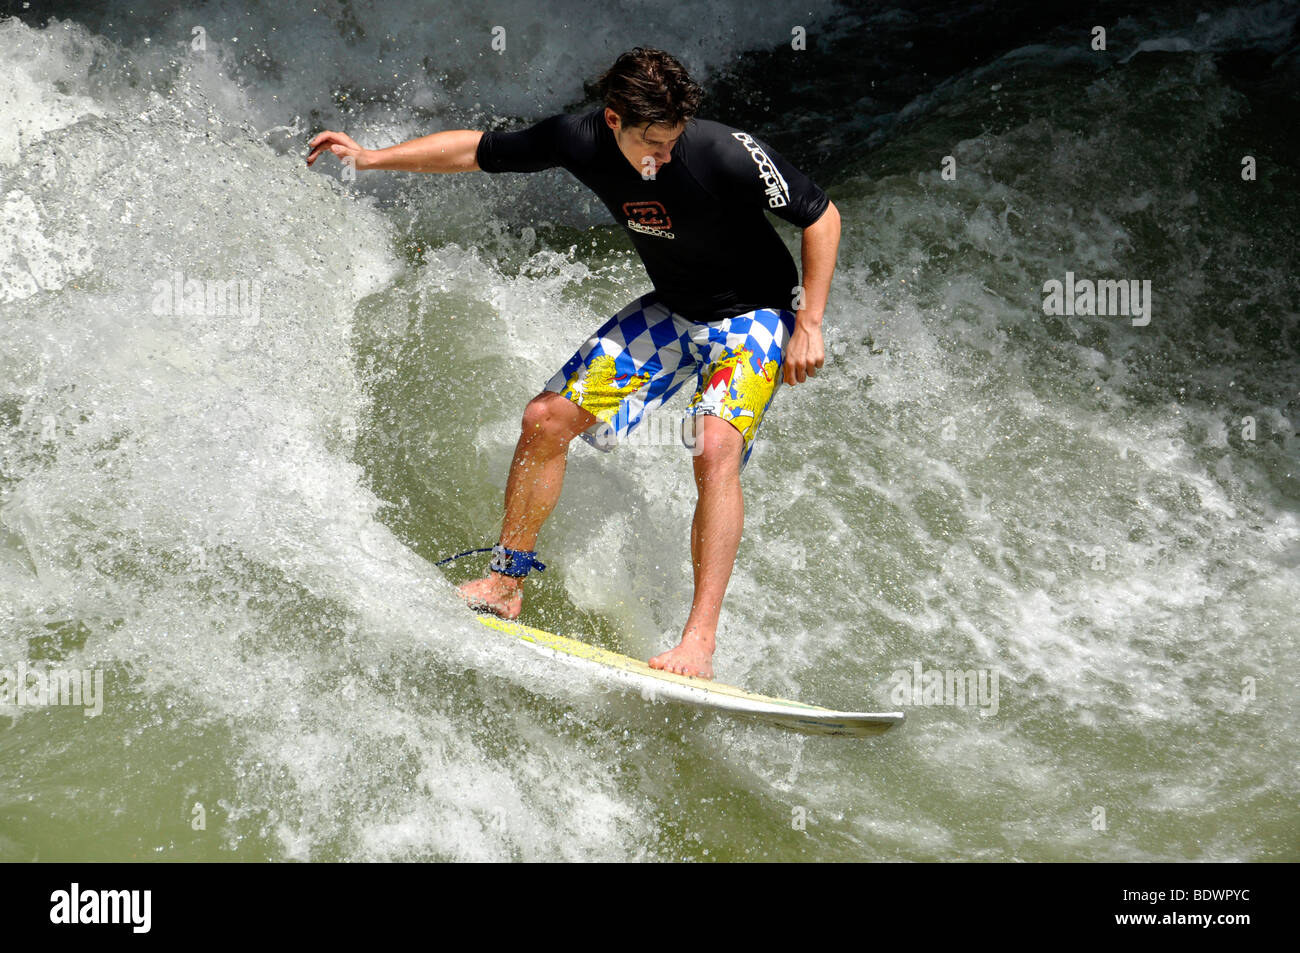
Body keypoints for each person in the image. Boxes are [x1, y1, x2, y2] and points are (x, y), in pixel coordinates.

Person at [307, 47, 840, 679]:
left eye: (672, 142)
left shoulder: (724, 152)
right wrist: (371, 157)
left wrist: (807, 324)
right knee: (544, 420)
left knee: (713, 447)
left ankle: (698, 642)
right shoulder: (577, 138)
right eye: (652, 143)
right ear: (613, 121)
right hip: (673, 310)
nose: (664, 155)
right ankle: (506, 583)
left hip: (754, 315)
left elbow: (821, 215)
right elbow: (477, 151)